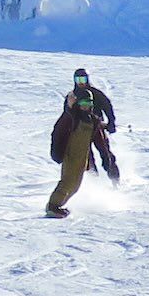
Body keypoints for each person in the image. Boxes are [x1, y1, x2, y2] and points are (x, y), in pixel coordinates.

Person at [45, 74, 99, 218]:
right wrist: (69, 107)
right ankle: (52, 206)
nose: (85, 107)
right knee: (67, 182)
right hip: (70, 155)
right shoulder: (72, 117)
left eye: (88, 104)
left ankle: (59, 205)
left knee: (75, 186)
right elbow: (58, 131)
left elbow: (97, 140)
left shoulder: (93, 120)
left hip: (82, 157)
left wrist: (104, 158)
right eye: (82, 104)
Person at [76, 67, 122, 178]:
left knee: (106, 154)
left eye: (83, 80)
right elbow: (67, 113)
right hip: (81, 131)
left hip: (97, 128)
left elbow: (107, 106)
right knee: (87, 158)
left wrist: (111, 122)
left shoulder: (96, 94)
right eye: (78, 80)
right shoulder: (73, 96)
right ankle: (94, 182)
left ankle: (115, 179)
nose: (81, 83)